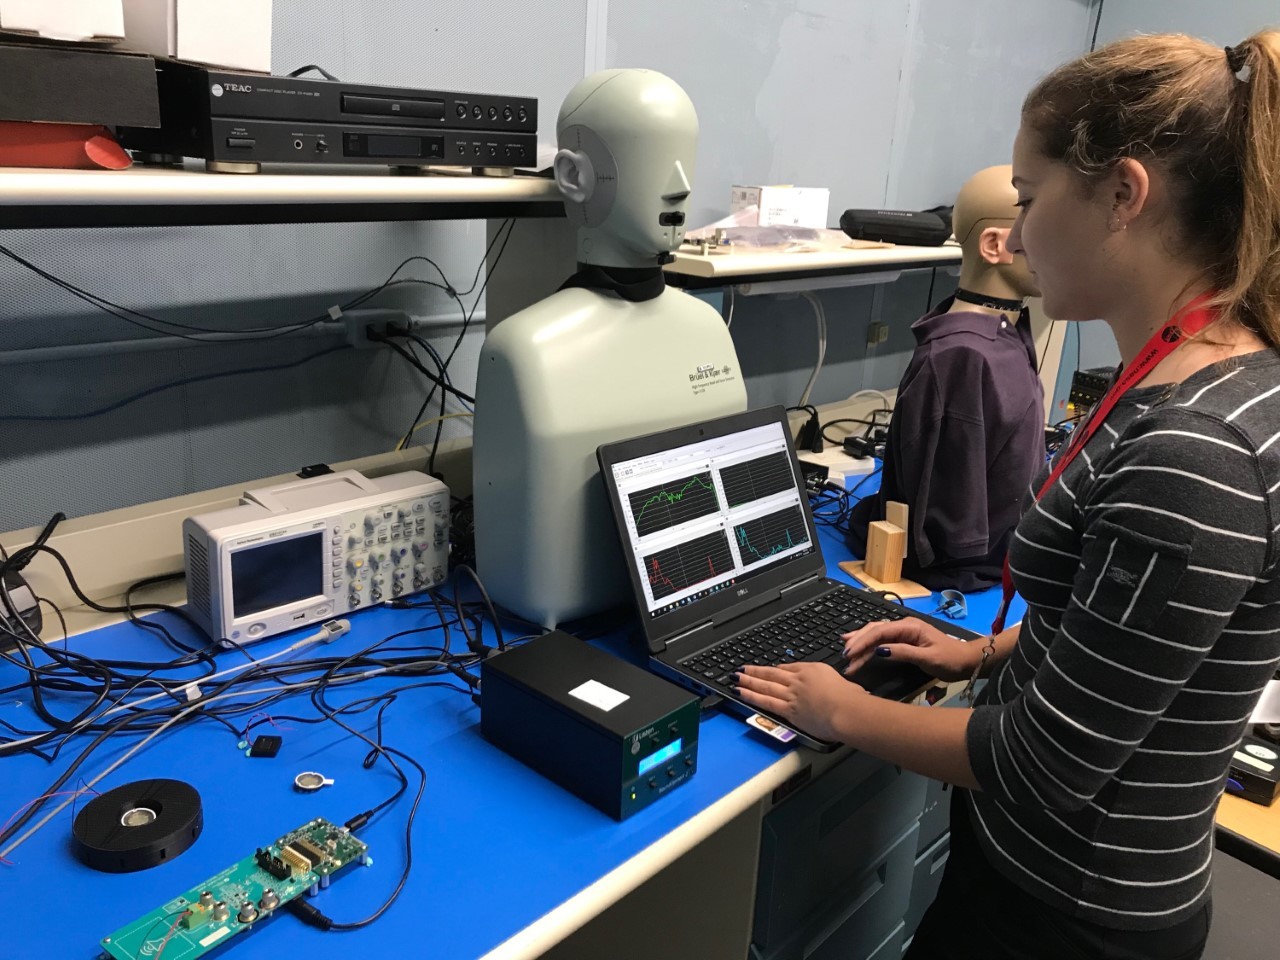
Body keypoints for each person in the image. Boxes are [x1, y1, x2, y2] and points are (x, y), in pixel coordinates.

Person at [737, 31, 1280, 959]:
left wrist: (841, 712)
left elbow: (1043, 766)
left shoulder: (1194, 452)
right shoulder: (1219, 375)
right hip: (1051, 880)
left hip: (1065, 913)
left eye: (1030, 199)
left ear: (1123, 194)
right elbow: (1124, 629)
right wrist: (980, 652)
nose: (1018, 235)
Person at [847, 165, 1044, 591]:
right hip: (976, 568)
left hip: (1011, 548)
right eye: (1034, 219)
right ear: (995, 245)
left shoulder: (1004, 337)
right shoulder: (962, 356)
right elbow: (946, 522)